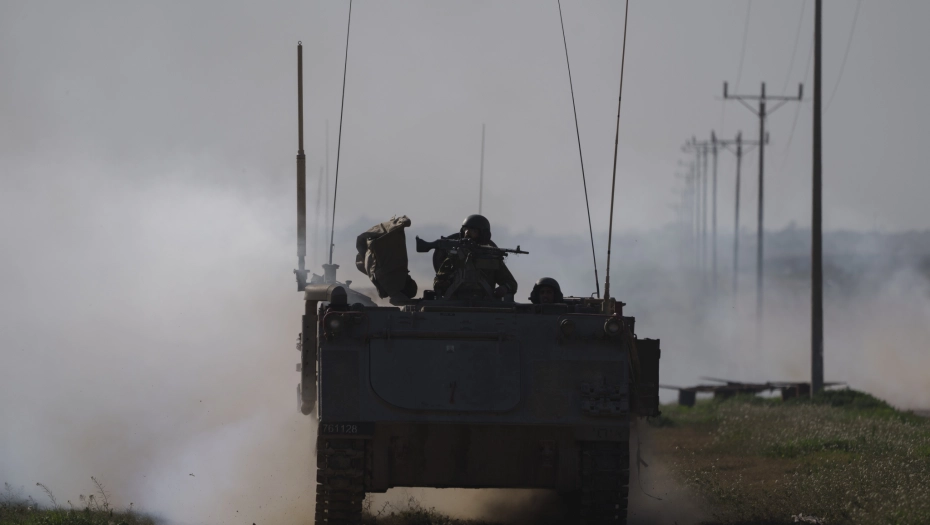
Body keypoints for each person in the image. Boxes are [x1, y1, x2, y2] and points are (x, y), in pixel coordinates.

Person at [433, 214, 518, 299]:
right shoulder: (454, 257)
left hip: (485, 304)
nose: (467, 234)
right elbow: (438, 280)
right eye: (465, 230)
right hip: (455, 303)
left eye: (473, 231)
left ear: (483, 234)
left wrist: (504, 288)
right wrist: (441, 284)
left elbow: (511, 283)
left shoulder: (492, 259)